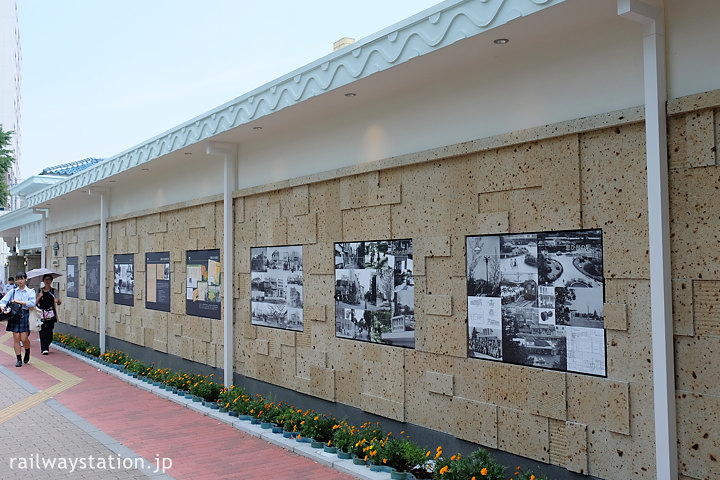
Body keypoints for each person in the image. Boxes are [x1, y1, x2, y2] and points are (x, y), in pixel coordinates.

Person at [1, 272, 36, 367]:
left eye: (22, 279)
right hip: (14, 315)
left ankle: (27, 350)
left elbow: (32, 303)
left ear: (26, 279)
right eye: (18, 279)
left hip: (24, 314)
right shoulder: (13, 291)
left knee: (24, 338)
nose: (20, 281)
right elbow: (3, 301)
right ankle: (19, 359)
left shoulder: (30, 291)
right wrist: (2, 307)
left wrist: (19, 301)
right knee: (16, 337)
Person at [36, 274, 61, 355]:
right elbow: (35, 303)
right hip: (41, 313)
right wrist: (39, 297)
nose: (47, 281)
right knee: (42, 330)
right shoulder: (40, 290)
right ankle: (44, 348)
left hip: (51, 314)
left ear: (51, 281)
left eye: (49, 279)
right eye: (46, 279)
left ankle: (46, 344)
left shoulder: (54, 291)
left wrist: (57, 301)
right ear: (43, 281)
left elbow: (59, 302)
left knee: (49, 332)